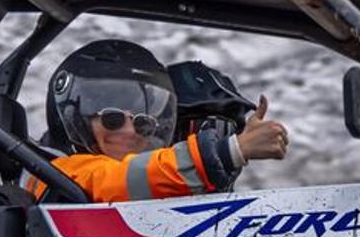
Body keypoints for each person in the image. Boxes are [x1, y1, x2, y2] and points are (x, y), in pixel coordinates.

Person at [30, 37, 290, 203]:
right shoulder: (60, 172)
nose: (131, 131)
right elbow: (118, 180)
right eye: (112, 119)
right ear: (75, 120)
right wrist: (231, 150)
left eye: (145, 124)